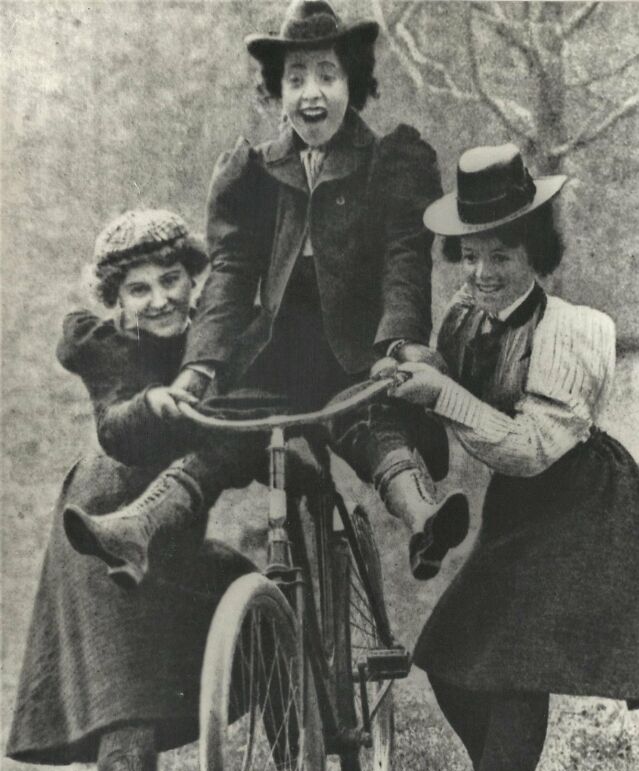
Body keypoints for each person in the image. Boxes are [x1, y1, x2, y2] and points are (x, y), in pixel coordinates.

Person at [61, 0, 469, 590]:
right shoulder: (252, 173)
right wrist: (199, 369)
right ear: (276, 89)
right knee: (223, 431)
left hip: (355, 352)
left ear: (352, 80)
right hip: (272, 355)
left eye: (327, 75)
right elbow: (229, 275)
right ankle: (136, 529)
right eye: (295, 78)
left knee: (369, 422)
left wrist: (401, 343)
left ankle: (423, 516)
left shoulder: (391, 162)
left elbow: (405, 261)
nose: (312, 94)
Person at [390, 144, 639, 771]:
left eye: (503, 254)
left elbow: (529, 448)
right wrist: (416, 362)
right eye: (472, 255)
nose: (484, 271)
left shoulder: (574, 331)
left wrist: (440, 395)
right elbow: (460, 380)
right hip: (519, 513)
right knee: (447, 656)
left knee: (517, 669)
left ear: (537, 253)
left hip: (583, 505)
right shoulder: (467, 319)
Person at [6, 210, 256, 771]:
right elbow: (117, 419)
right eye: (138, 290)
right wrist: (155, 402)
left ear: (194, 278)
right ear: (117, 304)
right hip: (101, 523)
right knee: (128, 697)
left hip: (173, 534)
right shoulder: (111, 350)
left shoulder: (217, 335)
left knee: (255, 592)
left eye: (171, 280)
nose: (159, 300)